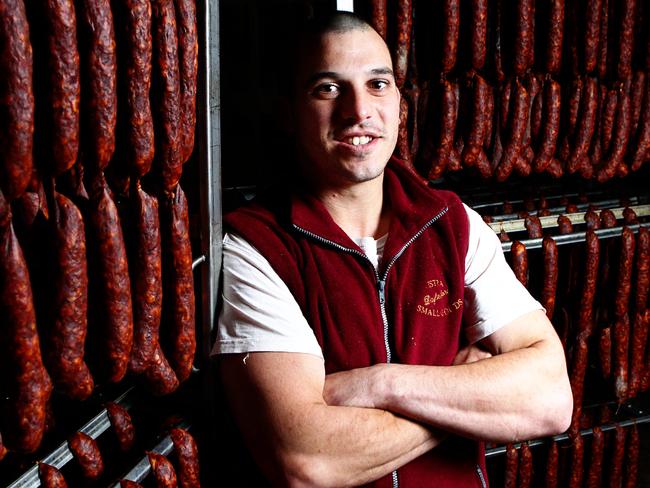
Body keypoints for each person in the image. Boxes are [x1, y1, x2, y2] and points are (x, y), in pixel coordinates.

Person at [214, 11, 572, 488]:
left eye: (378, 84)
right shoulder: (255, 248)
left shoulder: (453, 223)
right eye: (328, 88)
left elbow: (550, 400)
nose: (359, 111)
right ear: (289, 113)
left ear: (400, 105)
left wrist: (381, 383)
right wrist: (466, 395)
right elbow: (306, 460)